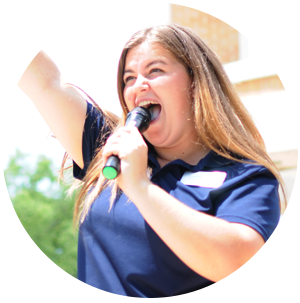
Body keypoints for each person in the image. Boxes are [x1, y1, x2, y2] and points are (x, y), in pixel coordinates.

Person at [1, 18, 285, 299]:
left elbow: (233, 264)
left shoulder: (246, 177)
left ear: (196, 84)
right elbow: (46, 83)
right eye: (129, 78)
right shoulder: (109, 151)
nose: (139, 85)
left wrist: (139, 186)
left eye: (155, 70)